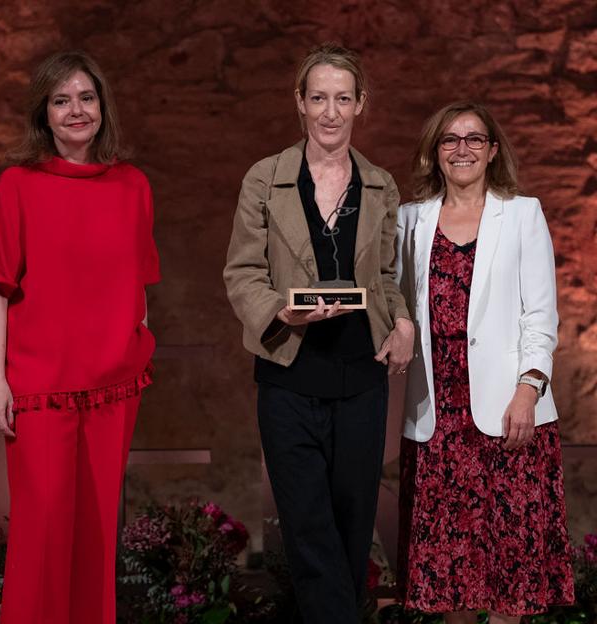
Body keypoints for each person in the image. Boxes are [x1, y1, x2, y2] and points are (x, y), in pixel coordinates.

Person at [224, 43, 414, 623]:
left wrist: (403, 321)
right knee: (307, 524)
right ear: (300, 104)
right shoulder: (264, 178)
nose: (330, 112)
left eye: (342, 98)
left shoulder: (381, 185)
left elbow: (388, 275)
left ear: (361, 105)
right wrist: (281, 311)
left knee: (354, 522)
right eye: (318, 98)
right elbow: (243, 272)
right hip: (288, 374)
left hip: (362, 377)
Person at [0, 51, 160, 624]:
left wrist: (136, 346)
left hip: (112, 389)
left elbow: (140, 285)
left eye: (85, 97)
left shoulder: (132, 185)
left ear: (102, 106)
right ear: (44, 115)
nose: (76, 110)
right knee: (42, 535)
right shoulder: (18, 185)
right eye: (61, 100)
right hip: (39, 390)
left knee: (98, 537)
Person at [396, 101, 575, 624]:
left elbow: (541, 316)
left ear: (493, 151)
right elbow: (396, 302)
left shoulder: (522, 213)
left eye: (475, 139)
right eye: (450, 140)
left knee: (509, 579)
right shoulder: (410, 220)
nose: (463, 149)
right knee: (450, 580)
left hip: (508, 416)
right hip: (436, 420)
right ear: (435, 153)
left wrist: (529, 390)